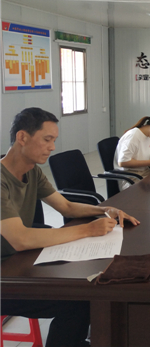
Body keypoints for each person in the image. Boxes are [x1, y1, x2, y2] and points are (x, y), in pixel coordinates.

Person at [1, 107, 139, 347]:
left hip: (17, 262)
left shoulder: (32, 172)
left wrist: (104, 210)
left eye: (53, 140)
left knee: (86, 293)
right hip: (7, 275)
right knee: (77, 302)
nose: (52, 147)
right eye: (47, 139)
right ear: (22, 137)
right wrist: (88, 230)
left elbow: (65, 206)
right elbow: (20, 239)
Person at [113, 114, 150, 190]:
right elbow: (123, 162)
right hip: (132, 178)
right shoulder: (133, 136)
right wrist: (149, 162)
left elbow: (139, 155)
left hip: (144, 174)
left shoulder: (146, 136)